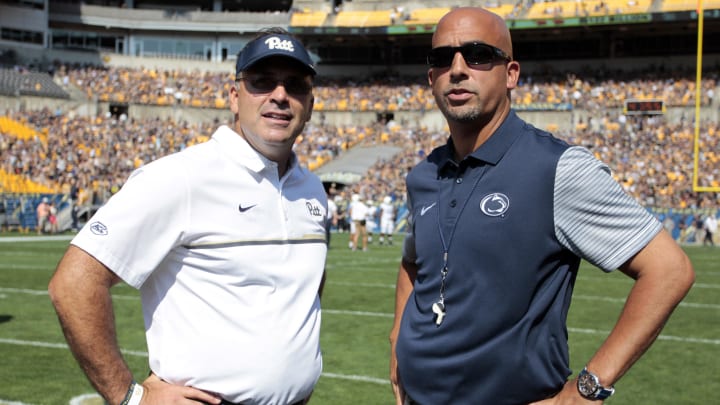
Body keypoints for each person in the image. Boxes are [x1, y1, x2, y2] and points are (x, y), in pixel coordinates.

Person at [389, 7, 695, 405]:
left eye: (478, 54)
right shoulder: (424, 174)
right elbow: (414, 262)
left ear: (511, 74)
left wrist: (586, 390)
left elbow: (669, 270)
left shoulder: (556, 168)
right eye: (442, 59)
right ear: (431, 79)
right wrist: (399, 335)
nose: (459, 69)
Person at [49, 27, 328, 405]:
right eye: (262, 82)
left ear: (310, 104)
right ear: (234, 96)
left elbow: (307, 287)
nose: (280, 95)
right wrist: (130, 397)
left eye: (295, 85)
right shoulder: (180, 177)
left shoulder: (312, 189)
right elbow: (73, 282)